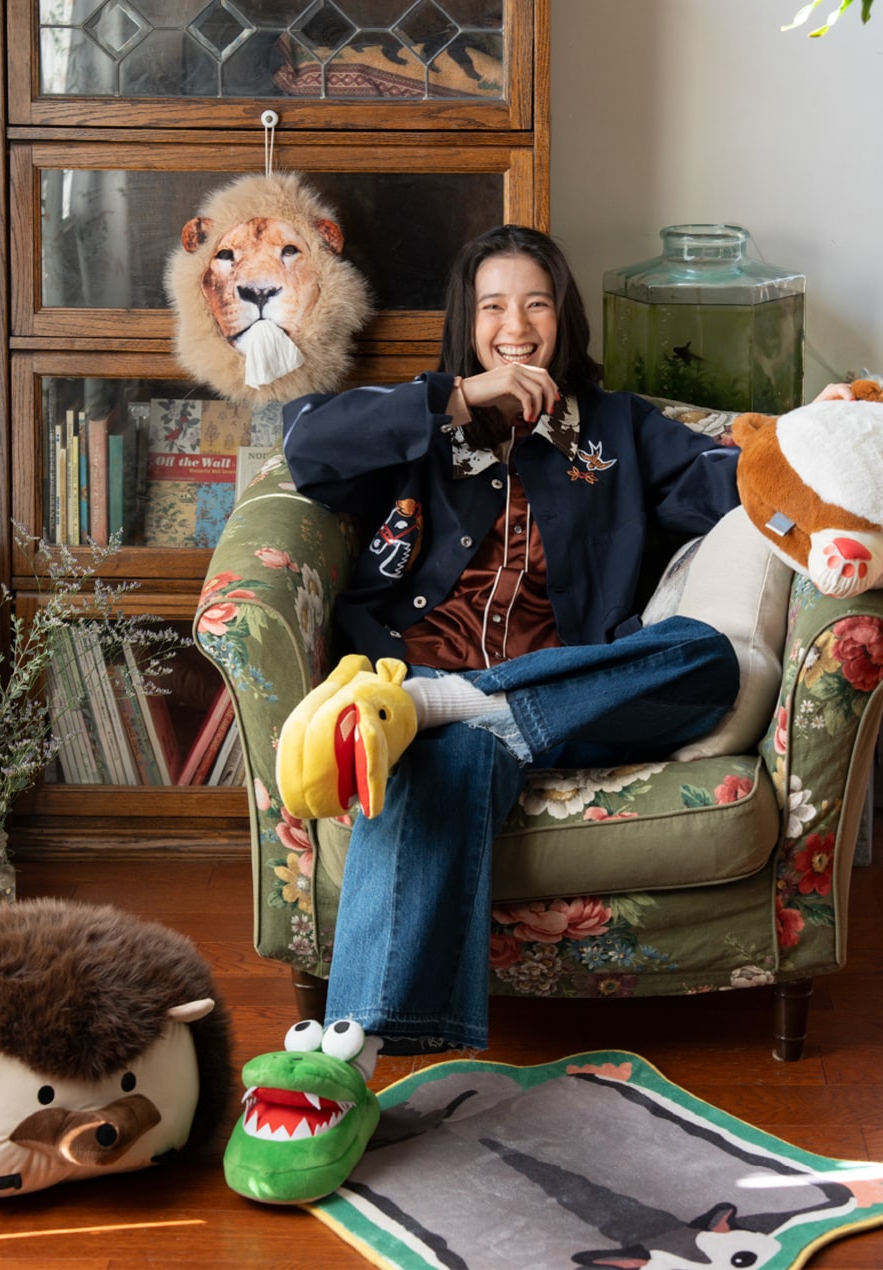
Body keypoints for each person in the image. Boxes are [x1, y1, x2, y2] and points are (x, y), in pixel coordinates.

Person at [279, 224, 845, 1059]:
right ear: (467, 323)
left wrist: (811, 445)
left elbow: (734, 487)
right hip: (425, 697)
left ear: (564, 317)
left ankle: (446, 706)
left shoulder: (617, 429)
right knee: (447, 755)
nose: (516, 326)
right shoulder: (421, 419)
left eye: (536, 304)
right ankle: (350, 1058)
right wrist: (461, 398)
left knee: (705, 659)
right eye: (493, 307)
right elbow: (305, 445)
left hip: (569, 704)